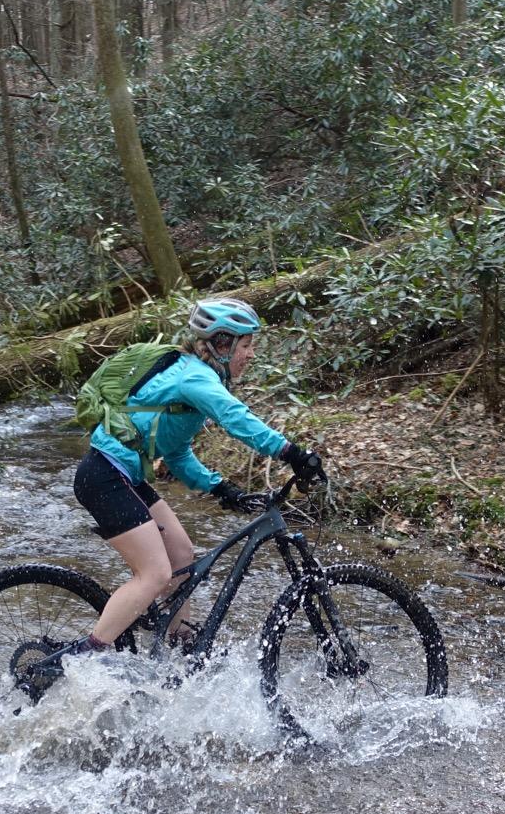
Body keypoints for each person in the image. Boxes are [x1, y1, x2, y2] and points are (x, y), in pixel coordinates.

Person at [16, 297, 324, 698]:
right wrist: (291, 452)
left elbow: (175, 451)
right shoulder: (195, 377)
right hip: (105, 476)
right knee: (155, 574)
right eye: (246, 345)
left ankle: (178, 652)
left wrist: (219, 488)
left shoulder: (192, 381)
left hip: (123, 474)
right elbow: (236, 419)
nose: (251, 354)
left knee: (181, 555)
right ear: (221, 342)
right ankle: (82, 658)